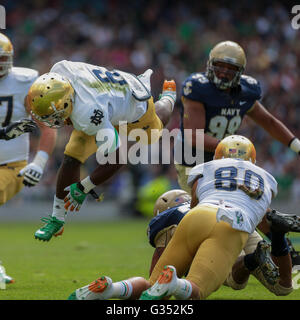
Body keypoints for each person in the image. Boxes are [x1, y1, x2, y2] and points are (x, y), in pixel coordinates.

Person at [67, 135, 288, 300]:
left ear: (219, 155)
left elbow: (194, 204)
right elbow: (267, 226)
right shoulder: (265, 179)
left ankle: (111, 289)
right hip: (230, 225)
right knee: (196, 290)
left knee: (153, 285)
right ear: (253, 160)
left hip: (197, 216)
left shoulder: (207, 168)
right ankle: (175, 283)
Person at [175, 40, 300, 266]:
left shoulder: (246, 91)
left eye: (230, 68)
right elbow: (193, 136)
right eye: (219, 66)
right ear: (209, 65)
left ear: (240, 72)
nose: (223, 73)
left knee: (255, 204)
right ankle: (228, 260)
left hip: (227, 160)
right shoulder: (198, 88)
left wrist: (296, 145)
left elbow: (269, 122)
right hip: (194, 162)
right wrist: (230, 146)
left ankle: (284, 251)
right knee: (214, 210)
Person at [27, 60, 176, 241]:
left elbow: (118, 159)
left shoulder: (87, 113)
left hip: (132, 103)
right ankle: (56, 219)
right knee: (71, 157)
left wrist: (84, 187)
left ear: (66, 103)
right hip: (104, 101)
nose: (53, 121)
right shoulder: (58, 71)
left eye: (54, 116)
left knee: (155, 131)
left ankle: (169, 98)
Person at [0, 32, 57, 285]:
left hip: (11, 166)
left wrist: (39, 162)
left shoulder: (26, 82)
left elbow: (48, 126)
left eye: (2, 58)